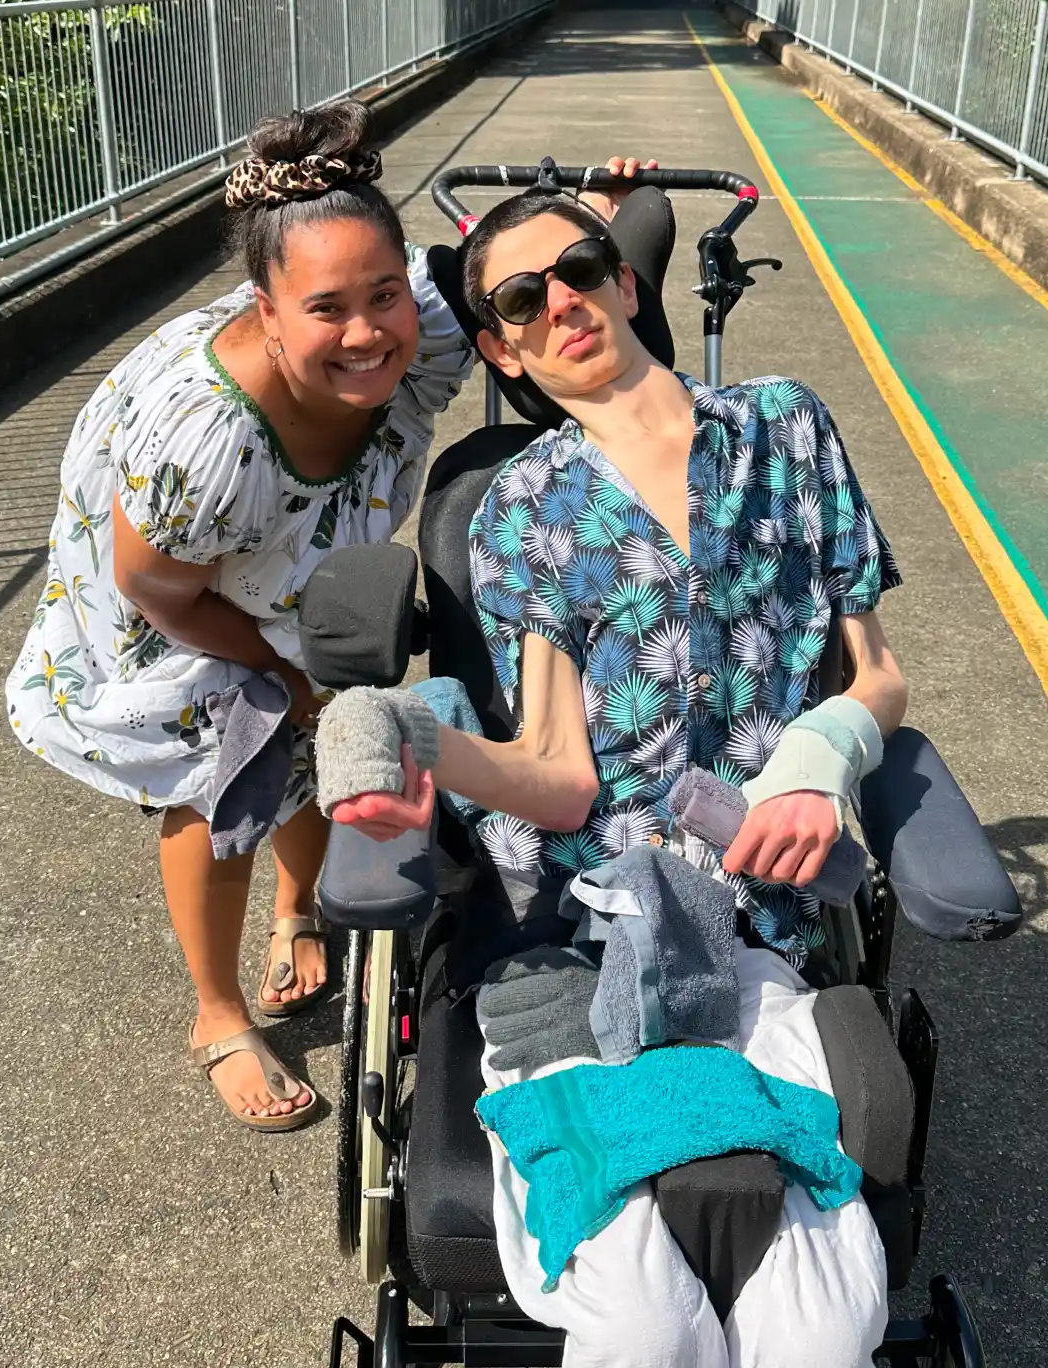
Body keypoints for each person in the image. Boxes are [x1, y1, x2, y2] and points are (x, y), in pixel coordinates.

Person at [329, 190, 909, 1365]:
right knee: (640, 1319)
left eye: (579, 267)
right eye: (518, 301)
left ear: (624, 281)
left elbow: (877, 676)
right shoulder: (522, 511)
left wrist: (816, 759)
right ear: (498, 346)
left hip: (756, 922)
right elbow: (556, 779)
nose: (559, 303)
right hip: (581, 935)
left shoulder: (784, 429)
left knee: (824, 1321)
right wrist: (410, 735)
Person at [6, 101, 648, 1134]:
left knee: (317, 730)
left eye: (383, 294)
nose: (366, 332)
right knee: (228, 765)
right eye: (327, 308)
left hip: (286, 552)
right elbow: (156, 588)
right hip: (184, 589)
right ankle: (215, 1014)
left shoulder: (421, 319)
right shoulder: (199, 442)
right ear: (266, 312)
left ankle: (295, 911)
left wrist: (591, 221)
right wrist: (282, 671)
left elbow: (510, 275)